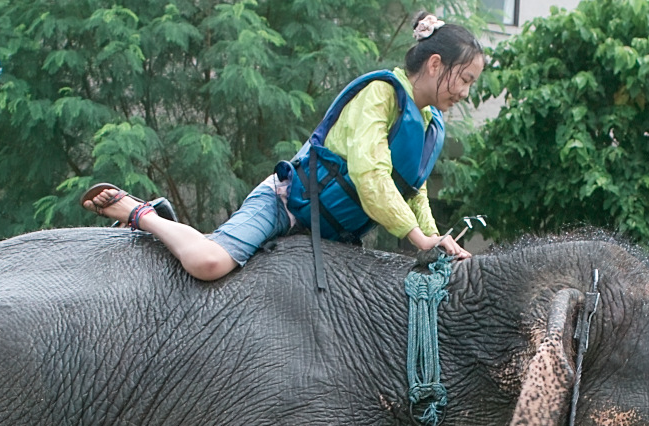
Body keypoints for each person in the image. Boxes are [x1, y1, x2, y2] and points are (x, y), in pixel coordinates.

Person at [79, 15, 485, 280]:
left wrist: (436, 240)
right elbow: (369, 175)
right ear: (435, 64)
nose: (466, 92)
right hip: (287, 204)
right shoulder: (380, 95)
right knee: (209, 263)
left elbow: (414, 191)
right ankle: (144, 214)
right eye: (465, 79)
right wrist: (418, 239)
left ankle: (182, 231)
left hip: (334, 236)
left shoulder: (429, 123)